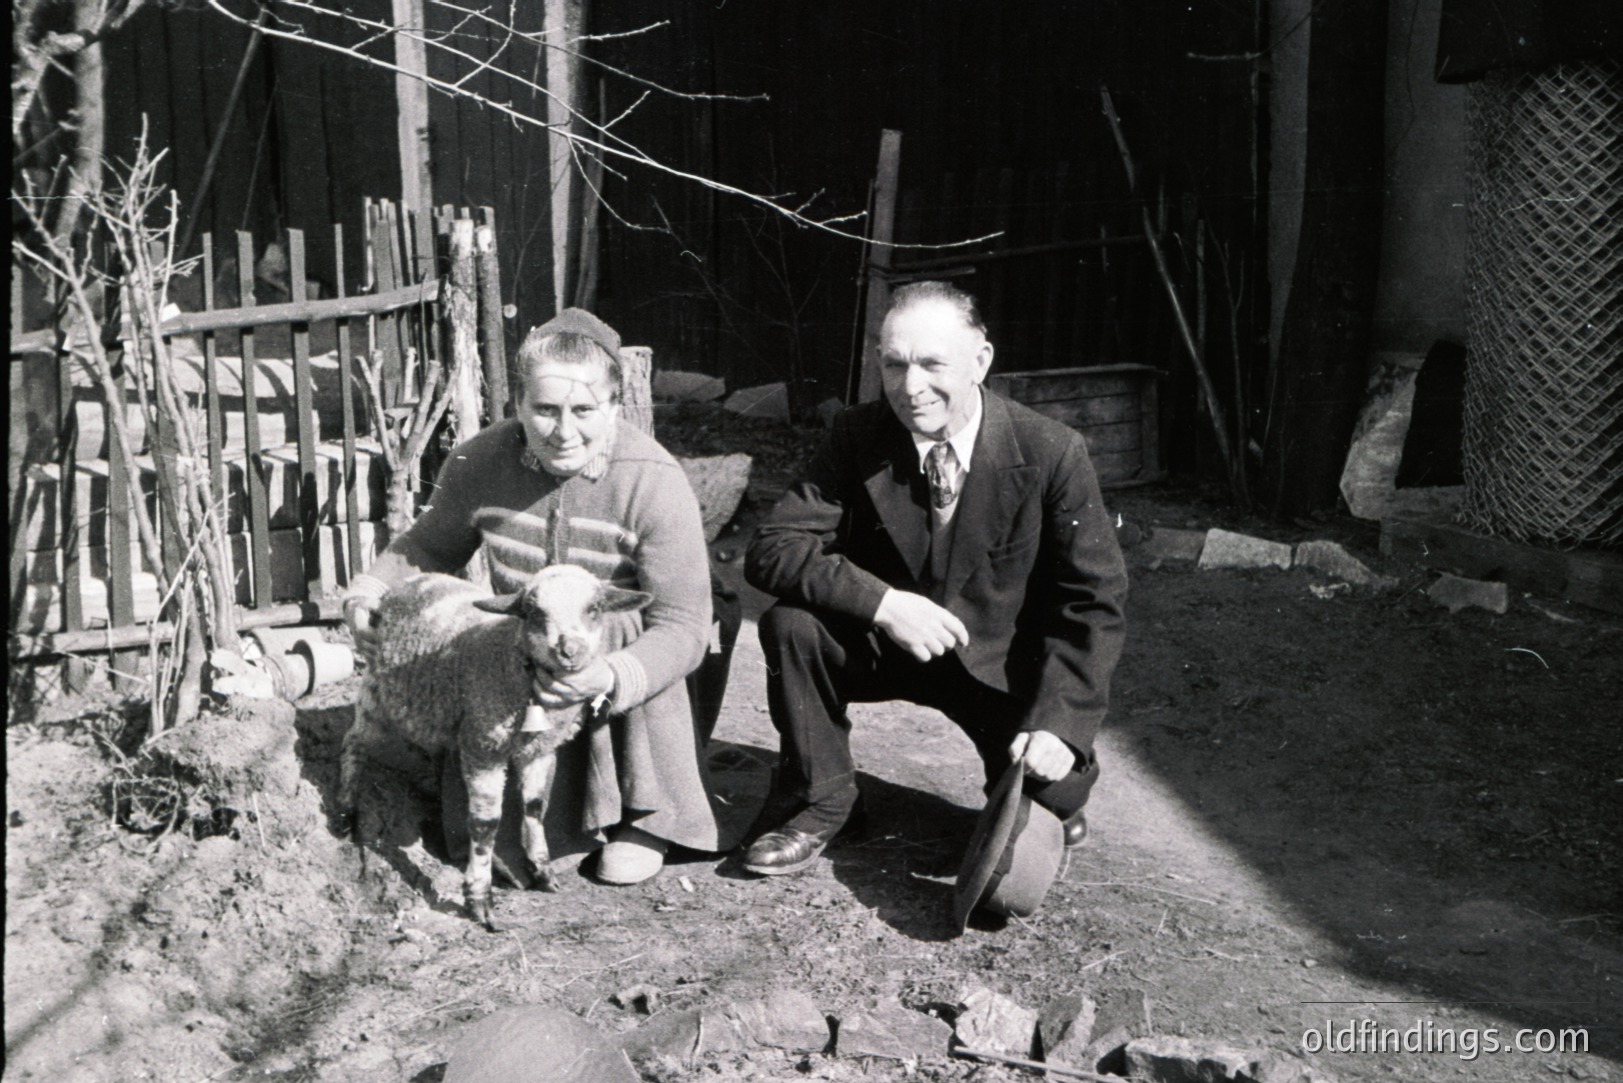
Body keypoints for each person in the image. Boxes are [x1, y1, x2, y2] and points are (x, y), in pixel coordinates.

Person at [740, 280, 1128, 877]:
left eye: (931, 365)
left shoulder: (1052, 451)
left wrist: (1058, 729)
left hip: (997, 666)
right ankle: (825, 800)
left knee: (1042, 811)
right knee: (792, 626)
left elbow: (1093, 601)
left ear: (981, 361)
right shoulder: (857, 433)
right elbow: (773, 548)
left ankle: (1043, 802)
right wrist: (885, 604)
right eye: (894, 365)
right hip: (888, 645)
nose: (911, 387)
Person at [342, 308, 723, 885]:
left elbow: (684, 624)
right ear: (518, 405)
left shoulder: (652, 479)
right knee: (485, 848)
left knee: (614, 623)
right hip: (524, 664)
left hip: (624, 667)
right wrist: (372, 588)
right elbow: (431, 543)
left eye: (584, 411)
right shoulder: (483, 460)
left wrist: (611, 675)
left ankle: (645, 817)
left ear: (616, 406)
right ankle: (548, 817)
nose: (563, 431)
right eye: (545, 410)